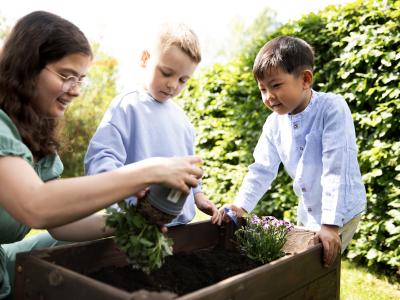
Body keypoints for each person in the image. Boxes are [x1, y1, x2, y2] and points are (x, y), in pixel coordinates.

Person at [0, 11, 203, 299]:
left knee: (67, 256)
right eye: (67, 76)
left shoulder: (36, 139)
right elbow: (34, 206)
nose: (76, 91)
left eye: (80, 79)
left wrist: (130, 221)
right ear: (26, 65)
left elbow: (59, 223)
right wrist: (149, 172)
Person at [220, 36, 366, 267]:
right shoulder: (273, 124)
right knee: (301, 266)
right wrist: (241, 205)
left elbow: (336, 168)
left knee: (316, 266)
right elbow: (262, 169)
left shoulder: (332, 108)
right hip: (309, 209)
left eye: (276, 85)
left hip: (342, 210)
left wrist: (330, 225)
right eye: (262, 89)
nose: (268, 97)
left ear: (305, 79)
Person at [85, 23, 221, 226]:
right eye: (167, 73)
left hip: (179, 231)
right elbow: (100, 159)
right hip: (136, 226)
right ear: (145, 59)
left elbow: (187, 169)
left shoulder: (183, 120)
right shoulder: (128, 106)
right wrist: (123, 190)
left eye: (183, 80)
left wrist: (197, 195)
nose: (173, 85)